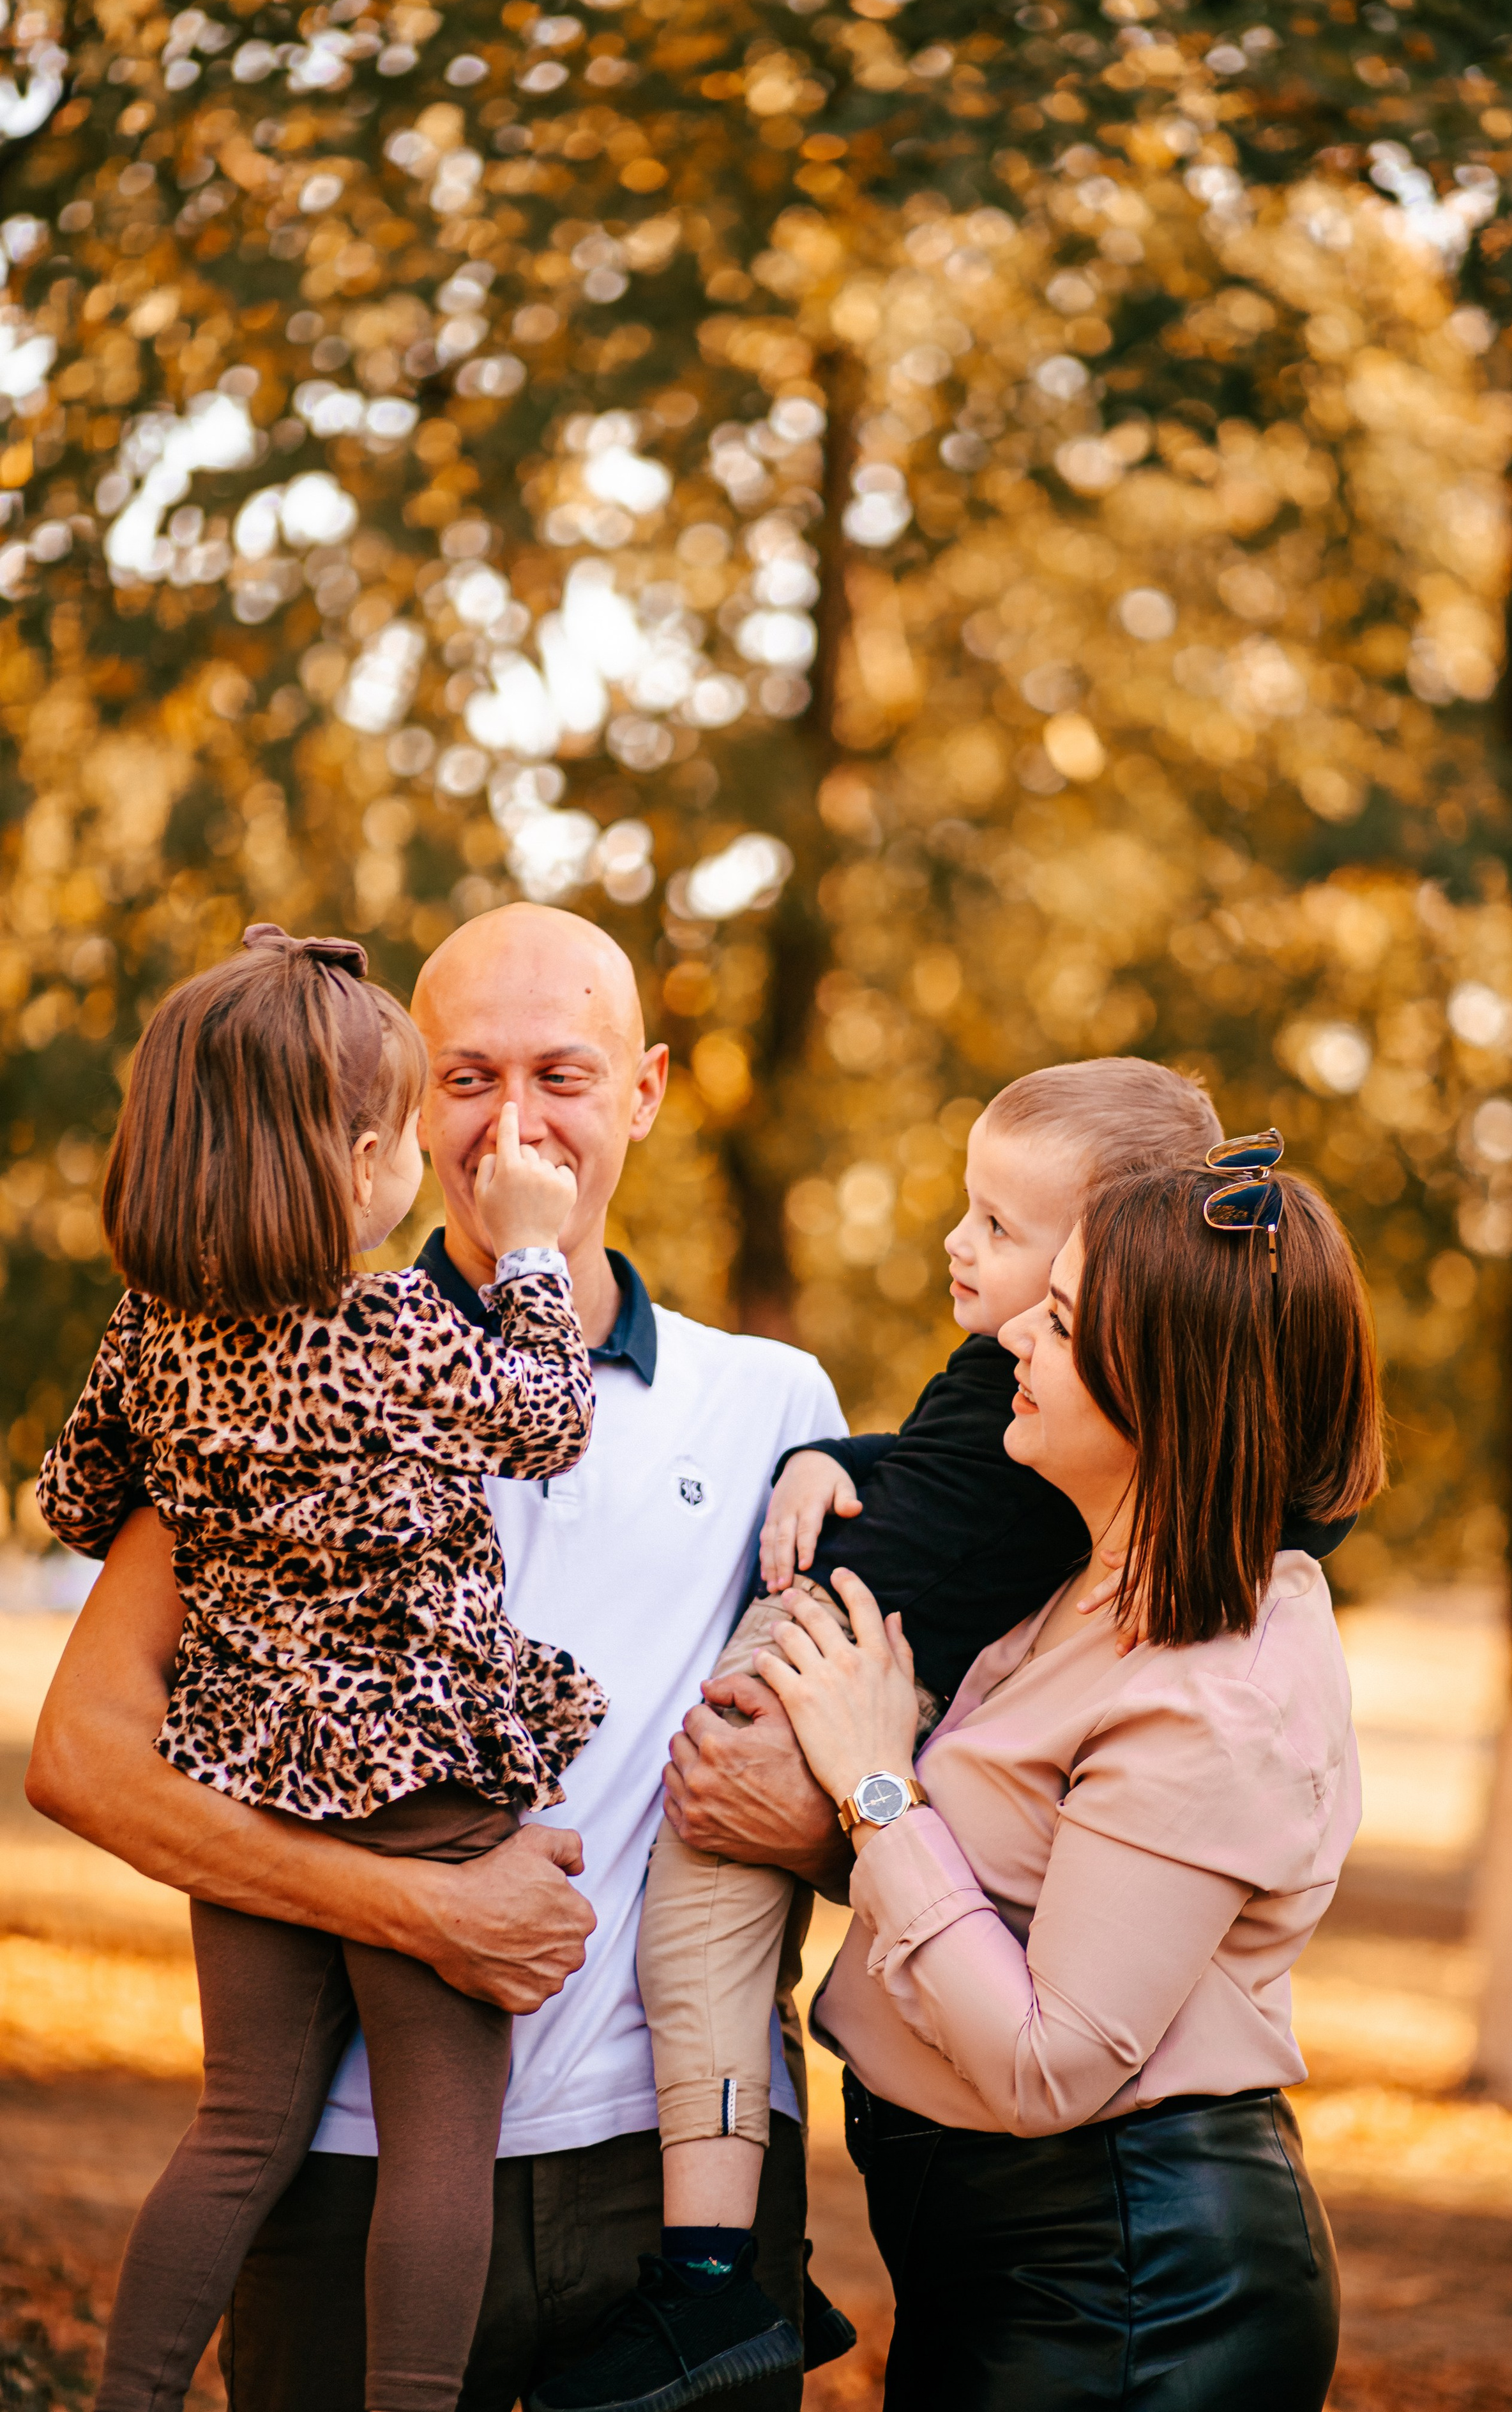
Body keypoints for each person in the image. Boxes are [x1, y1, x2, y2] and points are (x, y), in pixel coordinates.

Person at [26, 906, 845, 2412]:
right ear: (398, 1108)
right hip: (343, 2177)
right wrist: (425, 1912)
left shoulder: (774, 1400)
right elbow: (79, 1760)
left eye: (563, 1077)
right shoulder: (274, 1354)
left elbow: (872, 1755)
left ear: (647, 1093)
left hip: (669, 2172)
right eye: (464, 1080)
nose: (510, 1125)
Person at [540, 1064, 1224, 2410]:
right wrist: (831, 1461)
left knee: (697, 1964)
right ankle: (734, 2254)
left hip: (826, 1690)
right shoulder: (1003, 1376)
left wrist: (840, 1770)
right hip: (825, 1680)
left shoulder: (1112, 1418)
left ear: (1118, 1262)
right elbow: (935, 1465)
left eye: (1003, 1230)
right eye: (967, 1211)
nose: (959, 1247)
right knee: (714, 1981)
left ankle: (710, 2277)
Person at [34, 924, 602, 2412]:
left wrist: (224, 1487)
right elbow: (546, 1419)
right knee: (437, 2143)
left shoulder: (151, 1339)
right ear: (360, 1166)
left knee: (235, 2130)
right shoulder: (404, 1324)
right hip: (423, 1787)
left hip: (247, 1789)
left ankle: (130, 2398)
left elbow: (75, 1502)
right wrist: (533, 1250)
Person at [761, 1139, 1384, 2409]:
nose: (1016, 1345)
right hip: (998, 2262)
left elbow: (1048, 2064)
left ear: (1160, 1389)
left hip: (1127, 2299)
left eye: (1056, 1319)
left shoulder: (1215, 1693)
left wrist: (877, 1790)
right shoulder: (1088, 1585)